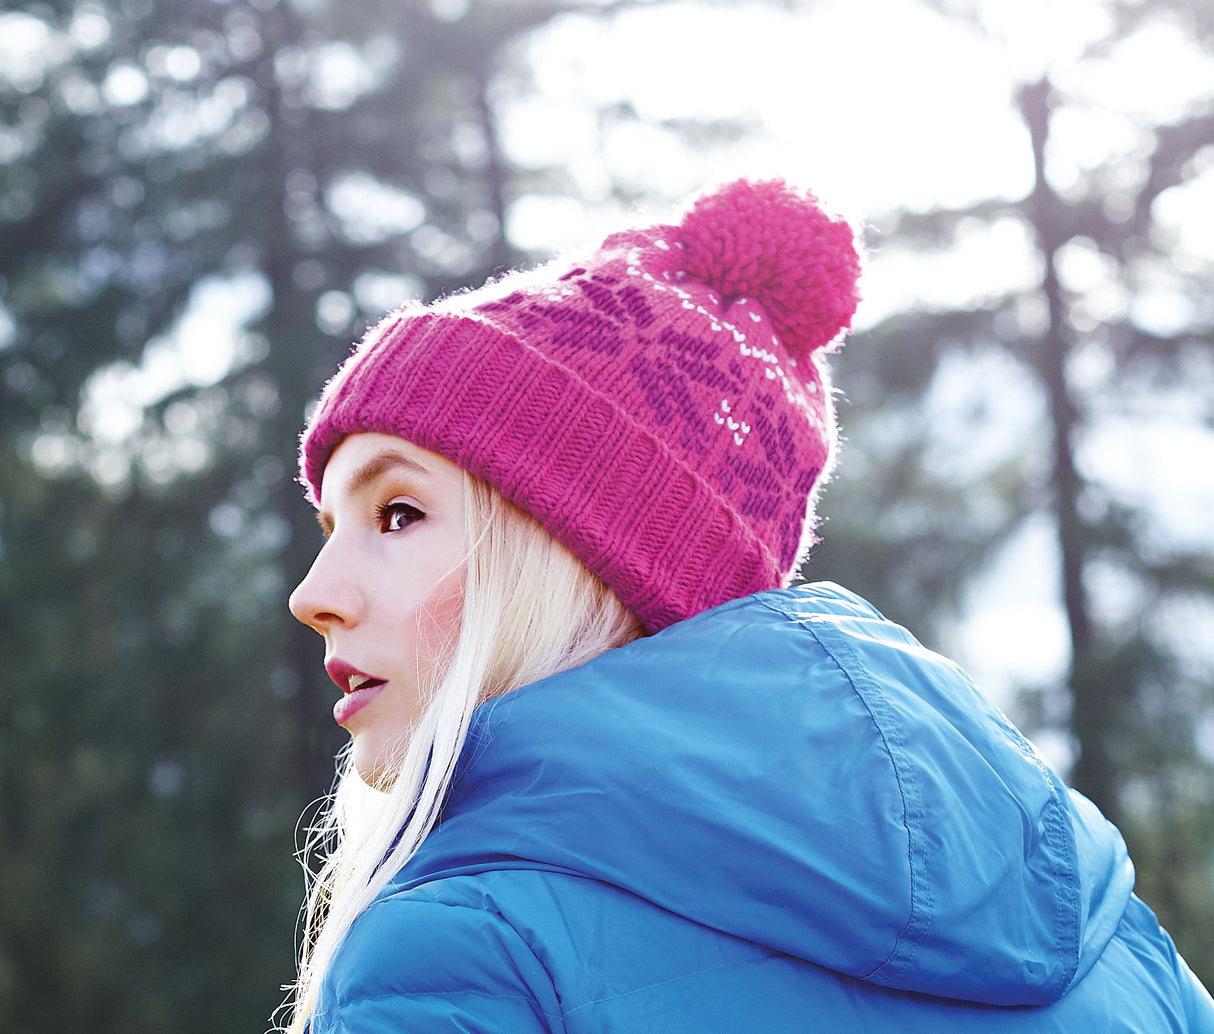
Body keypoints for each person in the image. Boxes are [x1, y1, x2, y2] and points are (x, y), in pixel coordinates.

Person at [280, 178, 1214, 1033]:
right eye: (329, 525)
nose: (314, 595)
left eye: (397, 513)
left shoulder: (459, 958)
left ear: (590, 556)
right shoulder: (1095, 918)